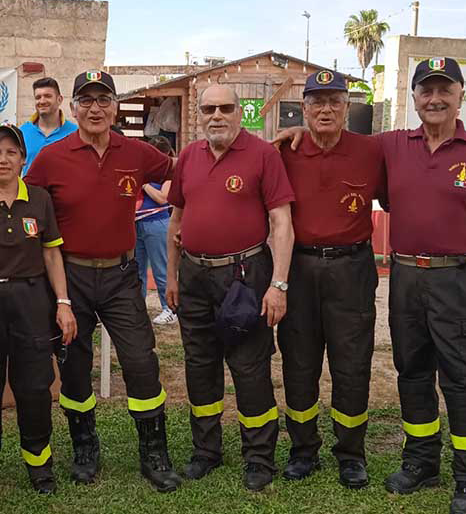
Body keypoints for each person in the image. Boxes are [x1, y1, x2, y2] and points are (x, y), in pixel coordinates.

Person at [275, 57, 466, 514]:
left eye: (445, 90)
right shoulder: (392, 145)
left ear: (460, 94)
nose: (435, 99)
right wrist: (302, 135)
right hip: (405, 275)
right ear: (414, 98)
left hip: (461, 277)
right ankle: (421, 460)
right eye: (426, 91)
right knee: (413, 373)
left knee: (464, 381)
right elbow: (328, 140)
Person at [25, 70, 182, 492]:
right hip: (70, 278)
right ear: (72, 108)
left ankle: (154, 452)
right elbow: (22, 205)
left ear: (114, 107)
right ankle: (84, 447)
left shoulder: (137, 153)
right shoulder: (51, 158)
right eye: (86, 101)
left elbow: (183, 173)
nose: (95, 108)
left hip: (121, 275)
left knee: (140, 362)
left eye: (104, 100)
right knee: (74, 366)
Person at [165, 84, 294, 491]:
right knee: (199, 365)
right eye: (208, 109)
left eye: (225, 108)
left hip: (245, 276)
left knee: (249, 367)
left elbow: (283, 224)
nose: (216, 115)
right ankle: (206, 451)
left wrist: (278, 285)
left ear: (240, 112)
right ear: (199, 115)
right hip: (194, 276)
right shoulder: (188, 156)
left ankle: (258, 458)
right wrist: (171, 276)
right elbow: (175, 221)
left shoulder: (263, 155)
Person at [0, 124, 76, 502]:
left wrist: (63, 303)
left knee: (35, 387)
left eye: (11, 152)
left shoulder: (38, 200)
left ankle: (39, 465)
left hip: (31, 301)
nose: (3, 159)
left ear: (23, 159)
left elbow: (52, 253)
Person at [276, 70, 385, 489]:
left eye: (334, 101)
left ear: (347, 107)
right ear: (304, 108)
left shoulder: (372, 150)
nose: (325, 109)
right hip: (299, 269)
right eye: (316, 102)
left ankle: (350, 454)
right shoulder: (285, 152)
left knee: (352, 364)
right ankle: (303, 450)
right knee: (299, 363)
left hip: (351, 269)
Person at [136, 136, 176, 325]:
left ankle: (169, 308)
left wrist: (144, 184)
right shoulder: (142, 170)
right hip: (138, 223)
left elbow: (163, 198)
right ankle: (138, 307)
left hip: (157, 224)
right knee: (138, 270)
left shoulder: (168, 174)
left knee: (161, 268)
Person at [19, 77, 77, 176]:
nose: (42, 101)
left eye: (47, 96)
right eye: (38, 97)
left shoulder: (75, 132)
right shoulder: (22, 132)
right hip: (30, 190)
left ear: (59, 99)